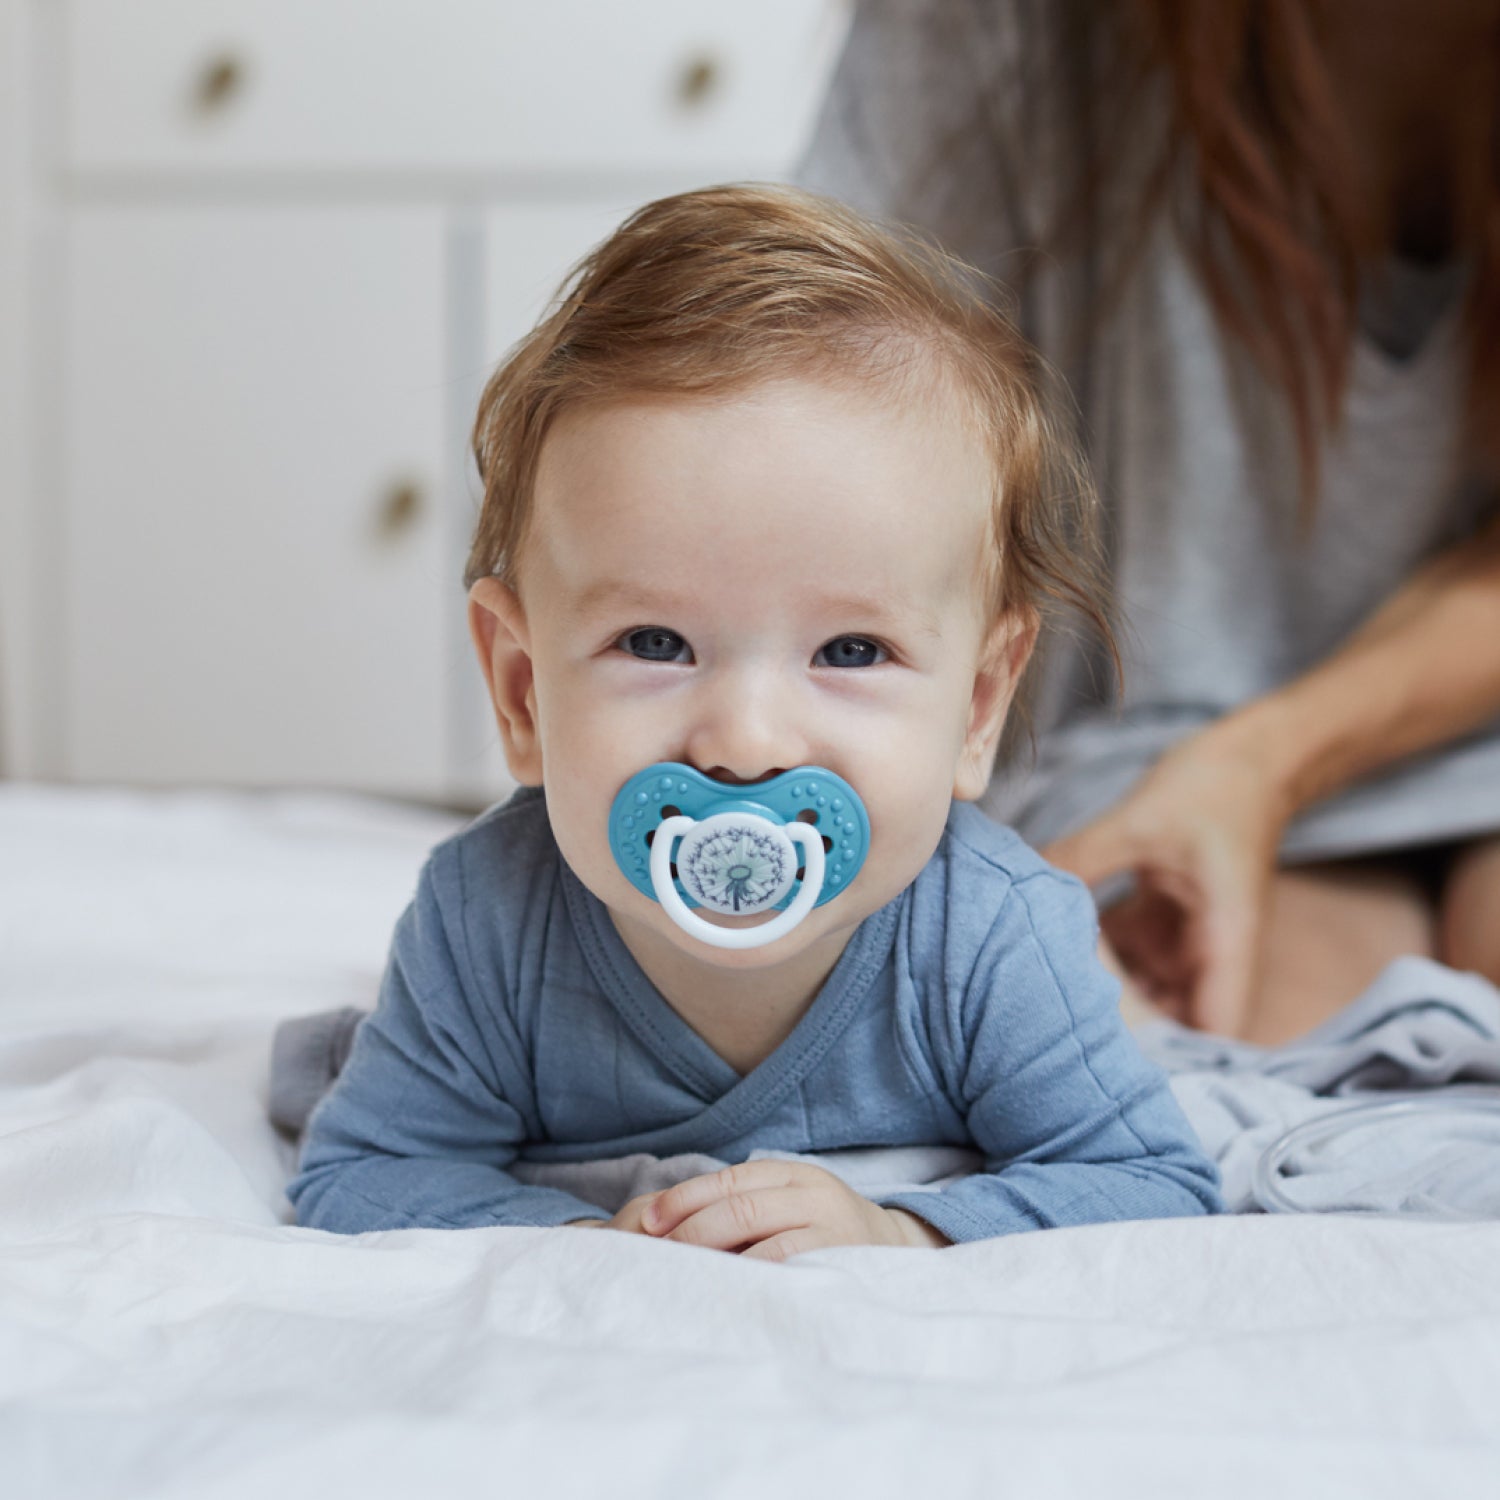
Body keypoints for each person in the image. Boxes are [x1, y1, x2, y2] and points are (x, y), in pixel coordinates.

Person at [284, 184, 1220, 1256]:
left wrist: (903, 1230)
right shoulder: (489, 922)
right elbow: (362, 1174)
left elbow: (1152, 1183)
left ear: (977, 707)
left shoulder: (992, 938)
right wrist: (586, 1236)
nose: (744, 744)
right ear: (523, 691)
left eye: (851, 652)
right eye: (654, 644)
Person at [797, 0, 1500, 1046]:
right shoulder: (995, 34)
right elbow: (815, 436)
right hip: (1146, 756)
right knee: (1269, 1047)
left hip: (1405, 733)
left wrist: (1267, 763)